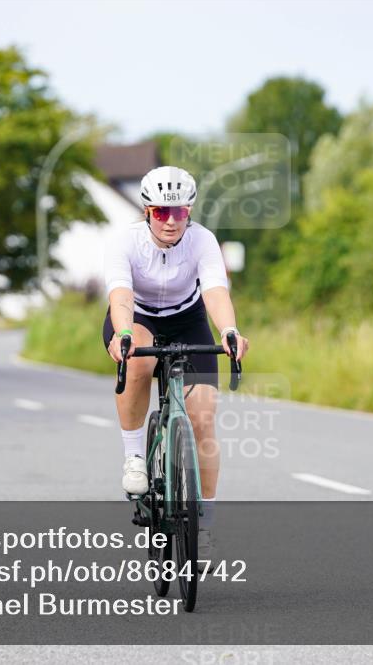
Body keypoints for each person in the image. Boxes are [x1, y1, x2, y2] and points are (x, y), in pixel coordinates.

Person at [103, 166, 250, 561]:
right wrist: (124, 335)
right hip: (137, 318)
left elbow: (216, 292)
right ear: (147, 211)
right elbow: (119, 295)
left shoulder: (202, 241)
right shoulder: (126, 242)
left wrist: (230, 330)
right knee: (137, 360)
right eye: (161, 212)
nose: (170, 221)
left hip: (188, 319)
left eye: (179, 212)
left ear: (189, 211)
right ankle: (135, 455)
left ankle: (204, 523)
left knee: (203, 417)